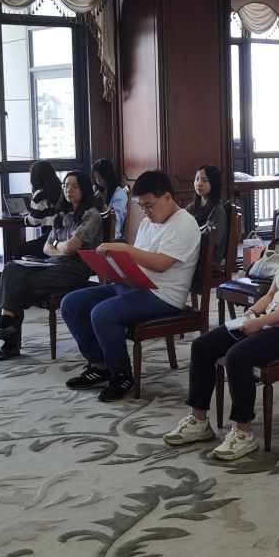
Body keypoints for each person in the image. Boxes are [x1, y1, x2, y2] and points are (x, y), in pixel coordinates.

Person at [162, 191, 279, 461]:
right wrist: (252, 313)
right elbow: (270, 294)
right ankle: (198, 420)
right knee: (202, 345)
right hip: (272, 317)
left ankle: (243, 432)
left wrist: (261, 322)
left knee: (238, 356)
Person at [60, 170, 201, 402]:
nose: (146, 212)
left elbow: (161, 264)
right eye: (141, 207)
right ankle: (99, 365)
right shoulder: (148, 222)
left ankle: (121, 374)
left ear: (167, 197)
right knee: (71, 304)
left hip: (162, 296)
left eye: (149, 206)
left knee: (102, 314)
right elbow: (139, 259)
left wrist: (126, 250)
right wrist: (114, 265)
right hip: (134, 285)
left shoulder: (184, 224)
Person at [0, 171, 102, 361]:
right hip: (53, 264)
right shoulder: (61, 215)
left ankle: (8, 339)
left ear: (84, 189)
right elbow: (47, 248)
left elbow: (70, 247)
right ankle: (6, 328)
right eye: (66, 186)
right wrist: (62, 249)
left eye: (74, 186)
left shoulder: (91, 215)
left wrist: (60, 247)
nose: (69, 190)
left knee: (15, 285)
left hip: (75, 270)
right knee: (12, 268)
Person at [16, 160, 62, 259]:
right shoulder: (61, 190)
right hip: (63, 238)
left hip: (49, 239)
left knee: (21, 251)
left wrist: (26, 216)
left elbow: (34, 221)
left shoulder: (39, 194)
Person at [185, 165, 227, 268]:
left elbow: (211, 242)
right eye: (197, 179)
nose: (199, 183)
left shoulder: (218, 210)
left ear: (214, 183)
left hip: (207, 258)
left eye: (204, 180)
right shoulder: (191, 207)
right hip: (192, 253)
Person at [91, 158, 128, 241]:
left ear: (108, 175)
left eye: (101, 177)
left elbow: (114, 219)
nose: (98, 180)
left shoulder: (119, 193)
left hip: (111, 233)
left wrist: (104, 200)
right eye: (96, 177)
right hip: (97, 229)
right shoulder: (97, 189)